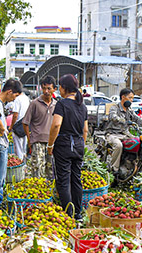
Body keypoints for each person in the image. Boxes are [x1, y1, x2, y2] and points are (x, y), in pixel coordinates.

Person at [48, 74, 88, 219]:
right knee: (76, 179)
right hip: (78, 145)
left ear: (64, 88)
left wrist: (50, 144)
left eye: (60, 86)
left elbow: (56, 125)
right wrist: (81, 145)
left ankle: (68, 213)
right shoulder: (82, 106)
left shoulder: (62, 104)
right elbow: (85, 130)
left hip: (64, 145)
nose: (59, 89)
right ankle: (78, 213)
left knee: (63, 180)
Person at [104, 88, 142, 174]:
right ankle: (114, 170)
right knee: (118, 145)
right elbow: (113, 117)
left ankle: (133, 165)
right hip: (113, 134)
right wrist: (123, 120)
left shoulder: (129, 110)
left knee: (139, 142)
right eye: (130, 98)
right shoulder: (114, 108)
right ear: (123, 97)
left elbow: (137, 119)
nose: (131, 100)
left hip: (125, 134)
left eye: (132, 98)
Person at [23, 76, 57, 180]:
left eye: (49, 89)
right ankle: (38, 193)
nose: (46, 91)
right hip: (37, 141)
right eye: (44, 88)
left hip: (51, 143)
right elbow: (25, 123)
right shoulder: (34, 103)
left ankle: (49, 194)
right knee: (37, 171)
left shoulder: (56, 104)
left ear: (54, 89)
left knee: (51, 171)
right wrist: (29, 140)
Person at [9, 89, 31, 161]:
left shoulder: (17, 99)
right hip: (25, 125)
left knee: (18, 149)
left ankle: (20, 166)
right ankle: (24, 166)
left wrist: (11, 126)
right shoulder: (26, 98)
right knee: (24, 148)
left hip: (18, 127)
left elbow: (15, 115)